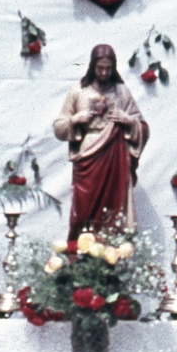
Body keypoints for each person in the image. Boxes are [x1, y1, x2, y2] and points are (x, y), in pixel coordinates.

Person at [53, 44, 149, 237]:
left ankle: (112, 250)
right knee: (83, 209)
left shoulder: (121, 92)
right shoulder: (78, 92)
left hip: (115, 156)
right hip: (88, 156)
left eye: (108, 68)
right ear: (92, 67)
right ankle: (81, 249)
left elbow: (143, 127)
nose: (104, 73)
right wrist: (74, 120)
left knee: (114, 208)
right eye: (100, 68)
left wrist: (129, 121)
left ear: (113, 67)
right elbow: (58, 128)